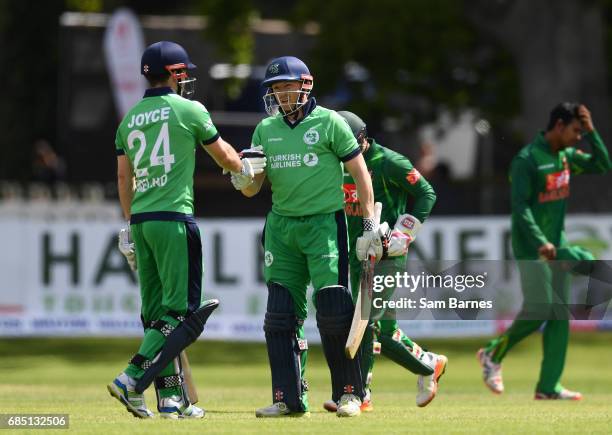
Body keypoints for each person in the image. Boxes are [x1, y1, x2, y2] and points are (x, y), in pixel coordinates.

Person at [109, 41, 265, 419]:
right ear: (176, 73)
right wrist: (248, 170)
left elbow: (123, 178)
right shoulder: (189, 109)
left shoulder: (128, 120)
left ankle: (170, 401)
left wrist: (129, 226)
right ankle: (131, 379)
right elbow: (226, 157)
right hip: (174, 218)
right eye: (185, 72)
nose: (187, 78)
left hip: (142, 222)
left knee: (157, 316)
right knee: (180, 314)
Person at [233, 56, 382, 418]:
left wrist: (367, 227)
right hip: (282, 228)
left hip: (323, 226)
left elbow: (362, 176)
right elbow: (253, 189)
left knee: (333, 310)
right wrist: (243, 179)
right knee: (280, 315)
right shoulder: (265, 130)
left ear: (306, 84)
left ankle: (349, 393)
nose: (282, 95)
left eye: (287, 86)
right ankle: (288, 397)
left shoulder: (330, 122)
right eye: (275, 89)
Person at [478, 103, 611, 400]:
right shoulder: (527, 160)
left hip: (557, 245)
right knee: (540, 308)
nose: (578, 137)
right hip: (532, 247)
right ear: (559, 126)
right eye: (576, 131)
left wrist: (592, 132)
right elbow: (520, 207)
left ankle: (549, 386)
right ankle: (492, 353)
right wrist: (540, 240)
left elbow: (603, 165)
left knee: (559, 315)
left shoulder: (566, 157)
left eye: (581, 131)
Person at [322, 111, 447, 413]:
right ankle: (429, 363)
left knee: (366, 322)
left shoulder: (389, 161)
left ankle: (359, 393)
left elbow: (426, 192)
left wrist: (406, 232)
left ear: (362, 139)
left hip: (388, 253)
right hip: (357, 254)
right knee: (384, 329)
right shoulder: (335, 163)